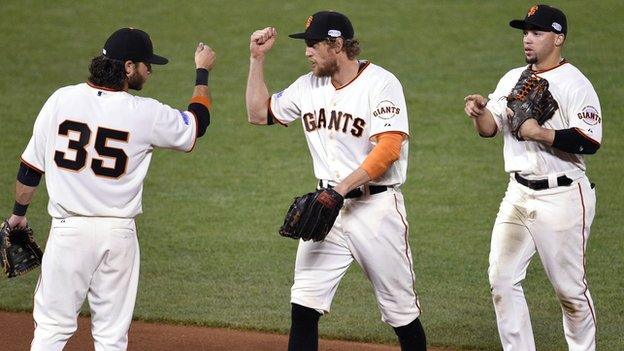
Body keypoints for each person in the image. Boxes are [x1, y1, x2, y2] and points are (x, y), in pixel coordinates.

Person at [5, 28, 215, 351]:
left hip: (68, 233)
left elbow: (30, 169)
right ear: (128, 67)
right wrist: (202, 71)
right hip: (118, 237)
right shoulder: (146, 112)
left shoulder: (60, 99)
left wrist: (18, 216)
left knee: (50, 331)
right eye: (147, 64)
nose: (150, 70)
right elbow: (196, 125)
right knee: (111, 338)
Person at [246, 11, 427, 351]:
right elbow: (258, 114)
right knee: (303, 305)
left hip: (375, 211)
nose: (307, 52)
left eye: (314, 44)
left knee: (401, 314)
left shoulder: (381, 83)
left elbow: (388, 148)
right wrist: (257, 59)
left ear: (338, 44)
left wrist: (341, 189)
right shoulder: (307, 86)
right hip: (327, 209)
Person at [464, 5, 601, 350]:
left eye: (536, 33)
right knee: (502, 279)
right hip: (518, 195)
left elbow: (590, 140)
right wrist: (479, 113)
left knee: (570, 291)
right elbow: (490, 129)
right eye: (525, 32)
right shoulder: (513, 78)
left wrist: (539, 133)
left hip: (564, 197)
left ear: (558, 38)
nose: (527, 39)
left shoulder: (576, 84)